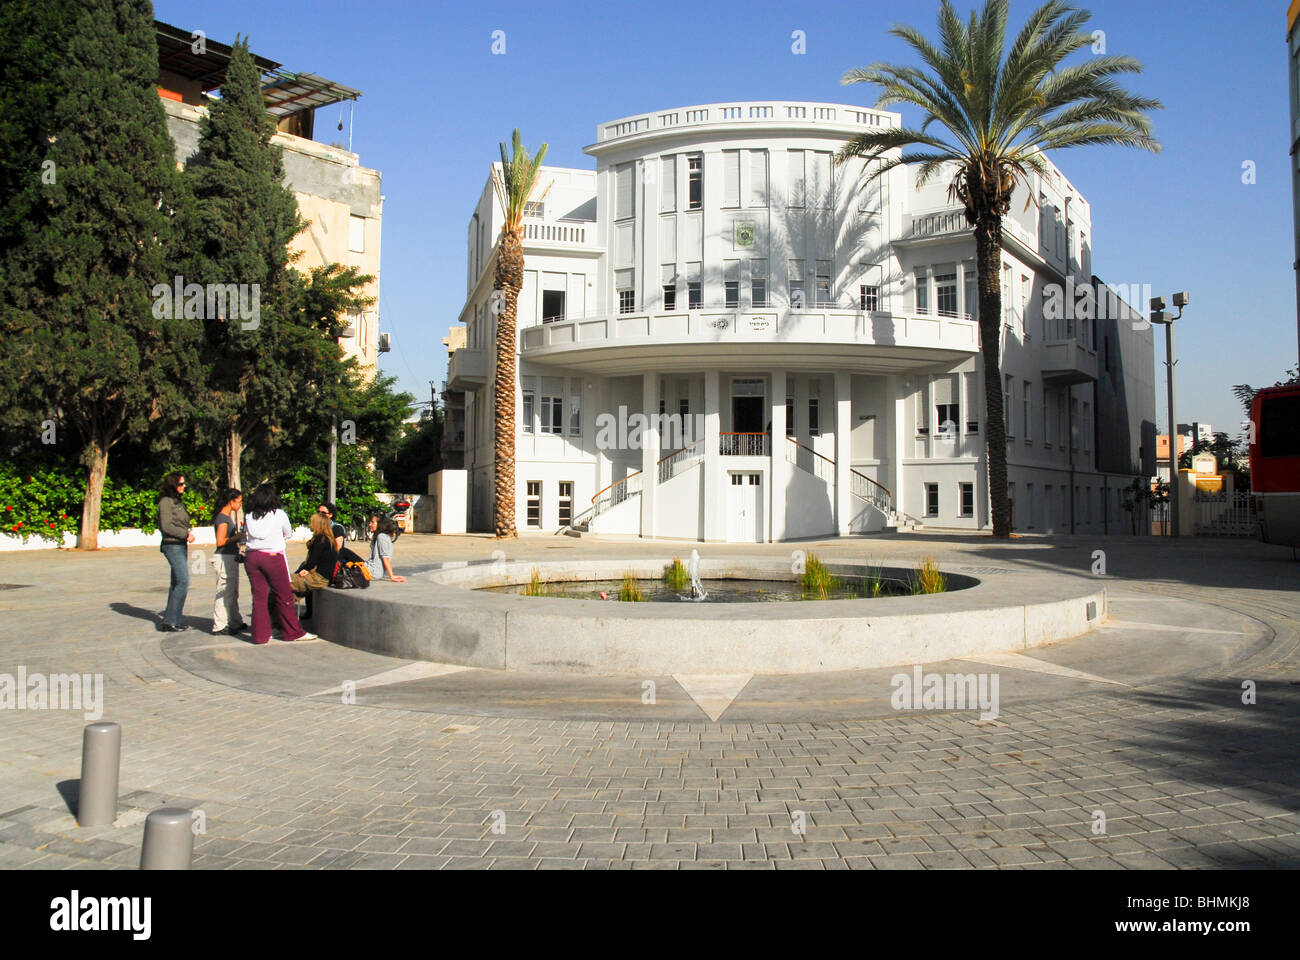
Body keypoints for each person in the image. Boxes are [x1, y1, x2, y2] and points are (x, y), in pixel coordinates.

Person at [243, 483, 316, 644]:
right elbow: (288, 533)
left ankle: (260, 635)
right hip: (272, 556)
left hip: (252, 556)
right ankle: (293, 632)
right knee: (284, 596)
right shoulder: (279, 514)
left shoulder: (249, 514)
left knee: (259, 598)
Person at [156, 472, 195, 632]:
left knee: (176, 583)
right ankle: (171, 620)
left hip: (180, 545)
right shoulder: (165, 502)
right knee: (183, 581)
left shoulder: (176, 501)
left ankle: (173, 619)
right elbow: (166, 526)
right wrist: (185, 534)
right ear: (173, 485)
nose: (184, 486)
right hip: (172, 545)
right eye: (180, 484)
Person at [211, 487, 247, 635]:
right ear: (231, 502)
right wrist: (237, 537)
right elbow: (220, 541)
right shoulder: (223, 519)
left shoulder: (226, 517)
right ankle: (219, 624)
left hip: (229, 556)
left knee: (232, 591)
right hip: (224, 557)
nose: (240, 504)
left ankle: (235, 621)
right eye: (239, 501)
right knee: (225, 592)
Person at [294, 512, 338, 621]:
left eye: (312, 522)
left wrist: (305, 570)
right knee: (287, 593)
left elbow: (312, 562)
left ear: (318, 524)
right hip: (323, 577)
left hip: (318, 578)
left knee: (281, 585)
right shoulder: (328, 539)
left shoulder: (320, 539)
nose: (310, 524)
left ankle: (283, 623)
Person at [366, 513, 406, 582]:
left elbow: (385, 558)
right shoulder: (381, 536)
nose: (370, 524)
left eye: (372, 522)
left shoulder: (381, 537)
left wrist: (392, 576)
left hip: (373, 571)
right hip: (370, 568)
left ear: (380, 524)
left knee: (346, 553)